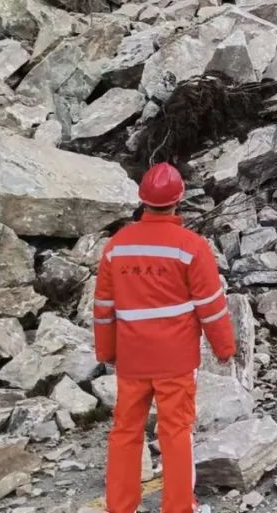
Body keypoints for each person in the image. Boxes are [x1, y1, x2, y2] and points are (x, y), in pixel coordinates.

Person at [94, 163, 236, 513]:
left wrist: (106, 351)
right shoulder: (190, 246)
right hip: (174, 360)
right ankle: (177, 507)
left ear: (142, 200)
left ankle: (120, 506)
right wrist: (225, 348)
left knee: (125, 432)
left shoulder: (117, 247)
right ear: (179, 200)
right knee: (175, 434)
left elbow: (103, 308)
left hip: (132, 359)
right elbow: (211, 307)